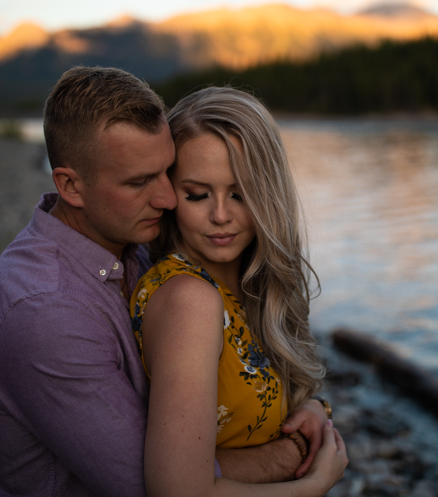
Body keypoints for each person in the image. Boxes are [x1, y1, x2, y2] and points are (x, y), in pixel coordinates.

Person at [0, 67, 339, 497]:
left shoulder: (135, 243)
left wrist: (307, 407)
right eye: (140, 182)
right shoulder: (44, 311)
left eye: (167, 174)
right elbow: (155, 483)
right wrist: (296, 458)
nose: (165, 199)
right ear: (70, 185)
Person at [130, 87, 348, 495]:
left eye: (240, 194)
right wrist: (312, 485)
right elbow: (178, 491)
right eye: (197, 194)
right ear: (169, 193)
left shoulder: (249, 283)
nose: (220, 216)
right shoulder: (188, 300)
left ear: (268, 195)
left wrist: (312, 409)